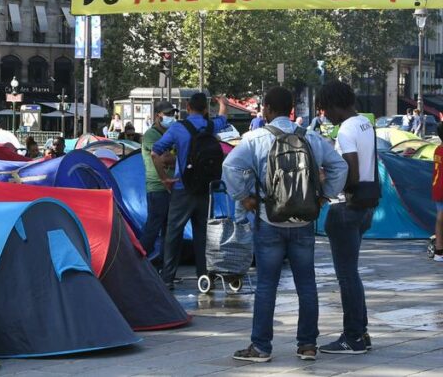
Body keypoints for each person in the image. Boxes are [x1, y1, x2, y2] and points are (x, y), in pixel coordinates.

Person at [223, 86, 347, 363]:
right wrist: (325, 195)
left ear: (266, 108)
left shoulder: (255, 139)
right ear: (291, 109)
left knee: (267, 285)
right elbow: (340, 166)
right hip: (303, 221)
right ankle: (307, 345)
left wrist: (244, 197)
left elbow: (230, 167)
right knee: (307, 284)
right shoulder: (311, 137)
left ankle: (261, 347)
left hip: (270, 219)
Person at [317, 81, 377, 355]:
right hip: (365, 205)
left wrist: (327, 182)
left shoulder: (347, 129)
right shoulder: (365, 123)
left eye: (324, 109)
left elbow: (350, 172)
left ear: (333, 104)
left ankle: (352, 337)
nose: (325, 115)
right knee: (352, 273)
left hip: (345, 208)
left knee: (346, 276)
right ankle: (361, 332)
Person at [152, 92, 230, 288]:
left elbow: (155, 152)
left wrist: (164, 178)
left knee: (173, 233)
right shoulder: (211, 126)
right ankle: (204, 275)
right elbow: (223, 117)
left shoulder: (178, 128)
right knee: (202, 234)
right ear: (205, 110)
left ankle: (168, 277)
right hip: (205, 188)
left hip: (182, 186)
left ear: (188, 108)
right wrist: (222, 103)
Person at [141, 101, 178, 265]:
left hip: (170, 186)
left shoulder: (170, 134)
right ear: (158, 115)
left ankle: (163, 265)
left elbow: (168, 158)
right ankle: (138, 262)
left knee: (168, 230)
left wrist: (170, 159)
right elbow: (162, 158)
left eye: (173, 114)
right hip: (157, 186)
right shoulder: (151, 135)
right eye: (168, 114)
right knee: (153, 228)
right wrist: (175, 159)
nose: (171, 117)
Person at [433, 142, 443, 262]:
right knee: (440, 218)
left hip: (437, 187)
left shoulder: (437, 149)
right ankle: (439, 250)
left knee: (440, 218)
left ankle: (439, 250)